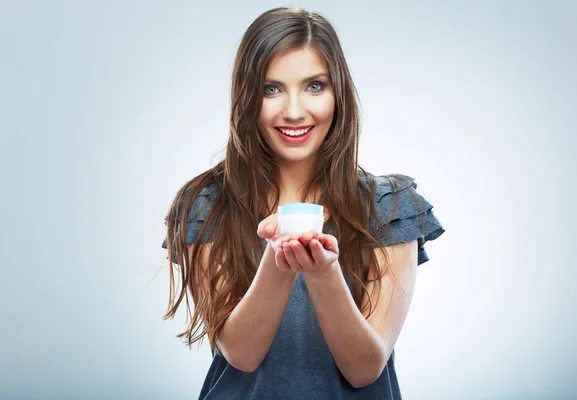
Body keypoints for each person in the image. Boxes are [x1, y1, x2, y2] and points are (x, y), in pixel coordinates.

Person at [161, 6, 445, 399]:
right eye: (271, 89)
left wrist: (323, 272)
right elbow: (241, 353)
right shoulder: (208, 207)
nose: (294, 111)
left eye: (314, 86)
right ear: (246, 97)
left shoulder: (391, 208)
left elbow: (365, 368)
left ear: (338, 93)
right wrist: (279, 261)